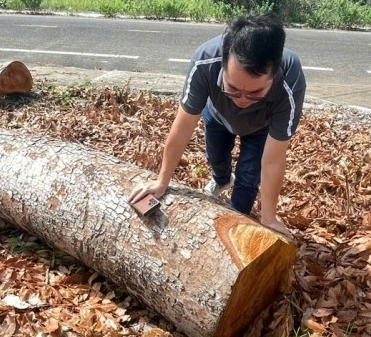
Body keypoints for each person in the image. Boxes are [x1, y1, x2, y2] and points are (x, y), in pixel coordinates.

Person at [129, 13, 305, 237]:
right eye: (232, 88)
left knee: (249, 176)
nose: (242, 99)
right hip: (217, 116)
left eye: (255, 93)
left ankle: (234, 221)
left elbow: (273, 159)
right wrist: (162, 181)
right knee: (215, 156)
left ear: (274, 74)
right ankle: (221, 180)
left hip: (261, 128)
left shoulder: (291, 81)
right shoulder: (204, 61)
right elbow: (183, 127)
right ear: (222, 63)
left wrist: (268, 217)